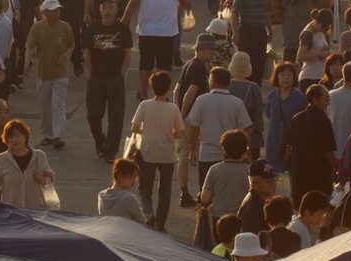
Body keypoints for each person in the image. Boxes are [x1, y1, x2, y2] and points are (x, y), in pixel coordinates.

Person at [186, 68, 253, 201]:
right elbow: (245, 130)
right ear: (228, 83)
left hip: (207, 154)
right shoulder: (236, 102)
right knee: (229, 194)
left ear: (212, 81)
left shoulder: (202, 100)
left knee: (207, 195)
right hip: (232, 156)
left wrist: (192, 149)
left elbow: (194, 128)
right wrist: (248, 153)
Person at [131, 72, 185, 230]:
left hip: (148, 153)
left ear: (151, 87)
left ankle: (148, 214)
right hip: (167, 154)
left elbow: (134, 127)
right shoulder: (173, 109)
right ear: (168, 89)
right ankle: (161, 224)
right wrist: (170, 133)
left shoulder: (145, 105)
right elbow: (180, 133)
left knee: (145, 188)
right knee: (165, 190)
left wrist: (145, 131)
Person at [123, 0, 183, 95]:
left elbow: (133, 4)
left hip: (147, 31)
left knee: (145, 64)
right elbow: (184, 1)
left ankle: (143, 92)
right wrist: (176, 12)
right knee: (165, 65)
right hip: (167, 32)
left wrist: (123, 22)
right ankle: (162, 94)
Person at [83, 0, 132, 161]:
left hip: (115, 80)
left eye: (111, 7)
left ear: (117, 10)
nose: (107, 11)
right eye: (104, 7)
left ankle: (110, 152)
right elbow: (87, 52)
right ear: (99, 10)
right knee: (93, 116)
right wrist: (89, 75)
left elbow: (127, 53)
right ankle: (100, 140)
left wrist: (122, 74)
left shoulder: (123, 30)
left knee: (115, 119)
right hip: (96, 79)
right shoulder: (91, 29)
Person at [27, 0, 77, 149]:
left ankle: (57, 136)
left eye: (58, 10)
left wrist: (64, 56)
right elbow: (29, 48)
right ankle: (47, 134)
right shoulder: (37, 28)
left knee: (58, 105)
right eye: (54, 11)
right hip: (43, 74)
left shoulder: (65, 27)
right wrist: (26, 65)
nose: (57, 13)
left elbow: (71, 45)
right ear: (45, 12)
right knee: (45, 106)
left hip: (60, 74)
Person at [286, 83, 336, 207]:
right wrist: (337, 167)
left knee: (300, 209)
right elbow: (328, 151)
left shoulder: (297, 118)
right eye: (326, 99)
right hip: (318, 175)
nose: (328, 103)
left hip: (298, 173)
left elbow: (288, 147)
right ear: (315, 100)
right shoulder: (324, 121)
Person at [0, 118, 55, 208]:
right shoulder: (1, 159)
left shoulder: (39, 156)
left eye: (17, 136)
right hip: (10, 214)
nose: (14, 140)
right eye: (10, 137)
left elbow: (51, 179)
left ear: (25, 136)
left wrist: (41, 179)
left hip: (34, 213)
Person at [196, 130, 253, 223]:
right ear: (244, 150)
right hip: (241, 216)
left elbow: (205, 198)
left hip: (218, 217)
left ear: (224, 149)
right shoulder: (249, 171)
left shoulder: (214, 169)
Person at [230, 0, 274, 78]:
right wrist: (235, 33)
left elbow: (267, 12)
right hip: (247, 30)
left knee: (261, 63)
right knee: (250, 62)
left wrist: (270, 30)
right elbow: (234, 12)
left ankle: (257, 88)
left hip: (261, 31)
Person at [97, 157, 146, 223]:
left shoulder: (101, 195)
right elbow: (142, 222)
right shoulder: (129, 198)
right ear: (121, 176)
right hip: (125, 232)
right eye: (132, 177)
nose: (134, 181)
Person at [237, 160, 276, 236]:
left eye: (273, 179)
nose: (273, 182)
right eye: (268, 180)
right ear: (254, 183)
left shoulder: (263, 199)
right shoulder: (251, 207)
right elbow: (249, 238)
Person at [296, 8, 333, 85]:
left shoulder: (321, 32)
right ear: (318, 22)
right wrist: (319, 54)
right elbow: (300, 56)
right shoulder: (308, 34)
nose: (323, 30)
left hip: (321, 75)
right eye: (323, 27)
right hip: (310, 76)